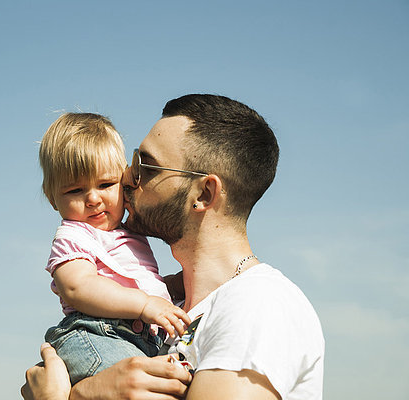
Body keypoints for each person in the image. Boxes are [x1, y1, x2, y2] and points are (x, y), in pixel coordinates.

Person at [23, 95, 325, 400]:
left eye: (148, 167)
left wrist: (70, 397)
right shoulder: (176, 308)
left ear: (205, 194)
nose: (126, 177)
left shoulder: (257, 304)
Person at [38, 113, 192, 385]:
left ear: (123, 181)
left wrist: (176, 286)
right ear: (52, 198)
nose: (93, 199)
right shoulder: (73, 236)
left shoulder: (129, 234)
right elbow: (78, 287)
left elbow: (133, 281)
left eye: (106, 184)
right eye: (75, 190)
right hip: (96, 334)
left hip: (138, 338)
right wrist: (144, 304)